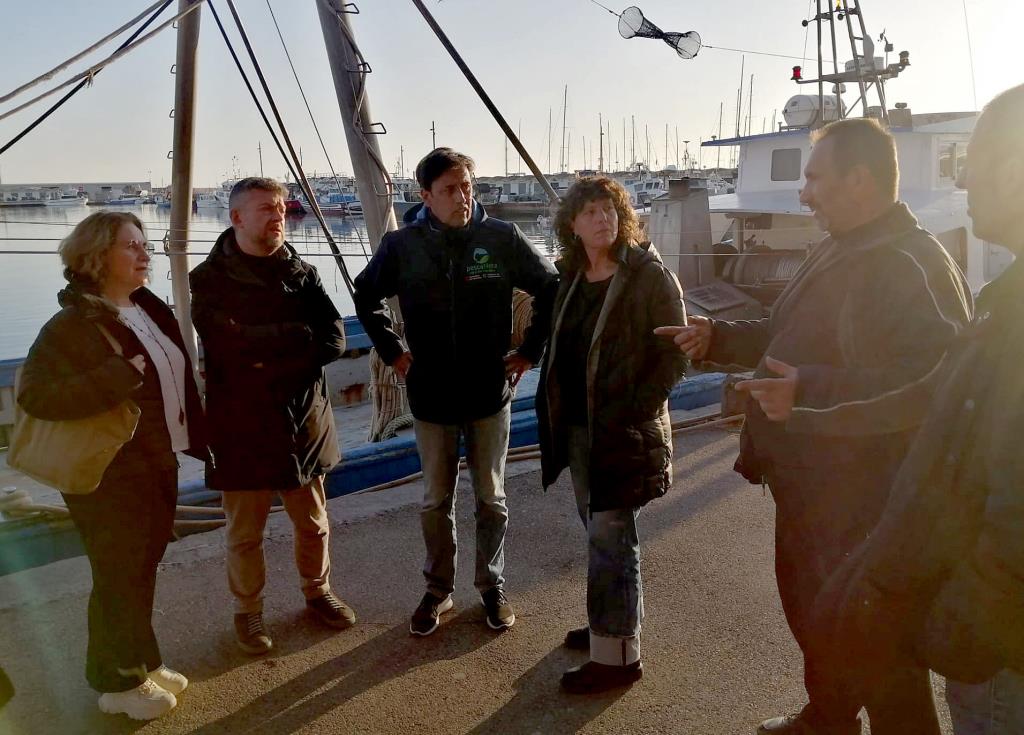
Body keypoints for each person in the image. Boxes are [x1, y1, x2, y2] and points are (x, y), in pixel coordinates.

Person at [655, 118, 973, 734]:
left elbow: (935, 381)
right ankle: (827, 717)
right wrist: (717, 337)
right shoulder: (835, 245)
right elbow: (781, 332)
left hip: (869, 496)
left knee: (881, 645)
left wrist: (810, 394)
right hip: (806, 484)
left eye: (813, 177)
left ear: (859, 180)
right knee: (813, 615)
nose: (804, 193)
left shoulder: (913, 262)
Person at [819, 83, 1024, 735]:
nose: (963, 182)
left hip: (998, 654)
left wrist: (965, 622)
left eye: (974, 163)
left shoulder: (962, 285)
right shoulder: (1004, 297)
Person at [353, 148, 558, 636]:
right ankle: (438, 590)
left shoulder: (501, 237)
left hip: (489, 392)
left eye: (467, 185)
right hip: (431, 394)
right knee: (434, 500)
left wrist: (529, 350)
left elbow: (550, 286)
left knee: (492, 497)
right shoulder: (401, 246)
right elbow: (365, 295)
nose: (462, 196)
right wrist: (393, 352)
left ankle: (491, 585)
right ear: (425, 196)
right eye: (449, 189)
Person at [17, 211, 207, 720]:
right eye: (131, 246)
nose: (145, 254)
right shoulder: (71, 325)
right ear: (98, 258)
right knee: (117, 574)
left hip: (156, 458)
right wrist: (114, 374)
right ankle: (115, 683)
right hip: (109, 471)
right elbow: (35, 395)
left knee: (142, 568)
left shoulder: (145, 307)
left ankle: (140, 662)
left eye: (145, 244)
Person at [190, 177, 354, 656]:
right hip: (242, 426)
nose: (278, 215)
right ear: (237, 217)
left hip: (304, 421)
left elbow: (334, 340)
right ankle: (248, 611)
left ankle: (318, 593)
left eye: (281, 207)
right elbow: (227, 346)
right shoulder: (209, 280)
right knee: (245, 533)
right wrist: (294, 338)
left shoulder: (302, 271)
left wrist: (266, 347)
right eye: (266, 208)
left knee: (314, 524)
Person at [536, 176, 686, 693]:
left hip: (622, 430)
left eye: (611, 210)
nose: (603, 219)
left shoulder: (647, 276)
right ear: (572, 225)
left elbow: (674, 352)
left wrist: (636, 412)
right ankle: (610, 624)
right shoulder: (573, 278)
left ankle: (618, 656)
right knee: (602, 535)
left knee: (612, 539)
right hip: (579, 429)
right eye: (592, 211)